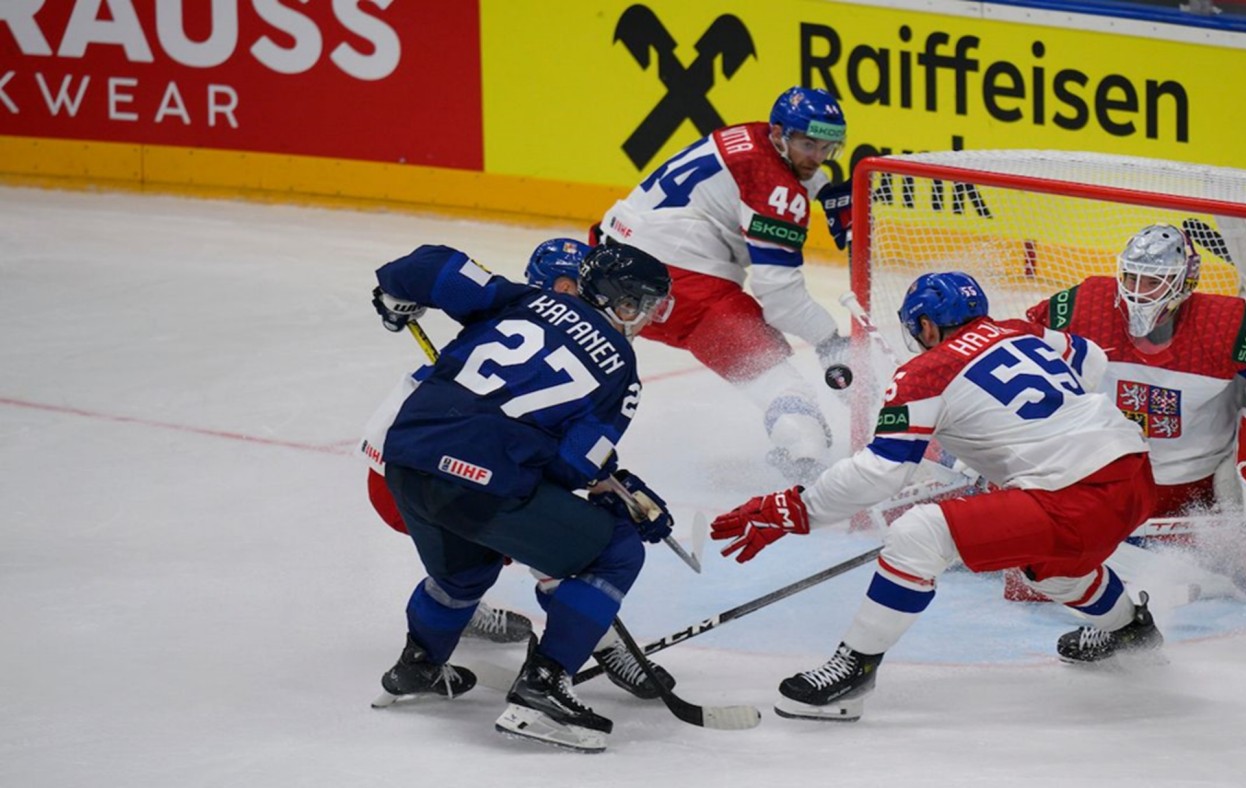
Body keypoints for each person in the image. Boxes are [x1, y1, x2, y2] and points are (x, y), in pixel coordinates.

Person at [709, 271, 1160, 722]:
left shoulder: (923, 374)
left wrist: (797, 507)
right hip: (1135, 476)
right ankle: (1129, 630)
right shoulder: (1022, 332)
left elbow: (878, 473)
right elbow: (1092, 358)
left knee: (918, 533)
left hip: (1072, 497)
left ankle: (854, 669)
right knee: (1052, 568)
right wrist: (1015, 439)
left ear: (926, 326)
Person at [366, 241, 675, 752]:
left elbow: (434, 266)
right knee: (616, 550)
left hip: (406, 461)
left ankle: (417, 666)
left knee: (464, 573)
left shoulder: (520, 299)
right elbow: (569, 465)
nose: (642, 318)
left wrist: (396, 292)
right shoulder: (622, 370)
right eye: (636, 303)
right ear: (614, 299)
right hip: (479, 481)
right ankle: (543, 687)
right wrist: (608, 499)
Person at [1021, 223, 1246, 597]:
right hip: (1112, 482)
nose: (1137, 292)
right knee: (1031, 576)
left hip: (1196, 490)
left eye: (1152, 281)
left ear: (1184, 282)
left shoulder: (1225, 324)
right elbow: (1025, 343)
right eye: (1131, 277)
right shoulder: (1087, 305)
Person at [594, 86, 855, 484]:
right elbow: (781, 300)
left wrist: (823, 189)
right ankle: (810, 477)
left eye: (828, 149)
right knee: (776, 379)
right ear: (780, 134)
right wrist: (829, 341)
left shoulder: (752, 135)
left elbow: (760, 174)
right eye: (808, 145)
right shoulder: (776, 190)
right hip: (675, 286)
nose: (817, 158)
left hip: (608, 261)